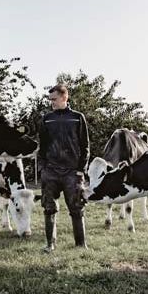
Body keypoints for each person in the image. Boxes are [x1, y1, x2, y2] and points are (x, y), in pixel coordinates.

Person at [38, 84, 90, 252]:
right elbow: (43, 146)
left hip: (72, 172)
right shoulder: (47, 119)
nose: (51, 102)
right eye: (50, 99)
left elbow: (85, 146)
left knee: (76, 209)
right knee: (48, 209)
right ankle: (50, 245)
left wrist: (81, 170)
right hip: (50, 172)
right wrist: (42, 169)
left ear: (64, 97)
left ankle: (81, 246)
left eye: (54, 99)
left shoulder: (77, 117)